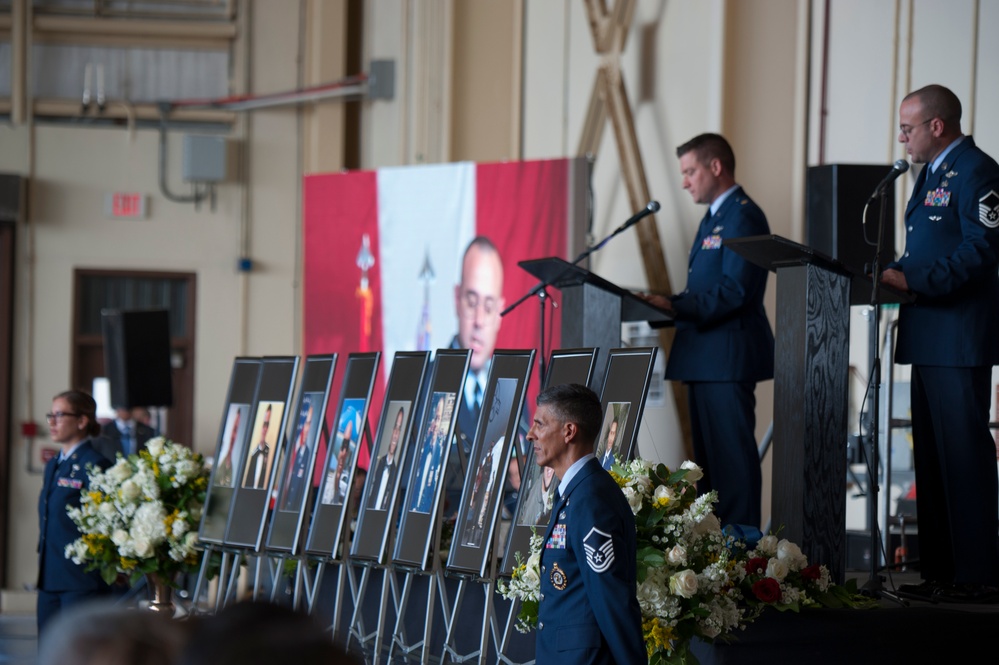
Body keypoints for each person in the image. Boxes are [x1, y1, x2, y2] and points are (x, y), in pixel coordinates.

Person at [880, 84, 999, 603]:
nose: (901, 137)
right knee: (930, 460)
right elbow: (925, 249)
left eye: (907, 127)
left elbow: (982, 250)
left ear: (936, 125)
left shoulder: (978, 171)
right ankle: (941, 572)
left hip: (957, 337)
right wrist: (889, 274)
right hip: (926, 335)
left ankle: (976, 575)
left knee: (963, 458)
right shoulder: (929, 174)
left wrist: (914, 280)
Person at [640, 133, 774, 528]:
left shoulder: (743, 214)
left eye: (690, 171)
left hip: (727, 359)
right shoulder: (715, 216)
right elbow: (705, 287)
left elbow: (735, 290)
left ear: (716, 167)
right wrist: (670, 302)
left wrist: (674, 304)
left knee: (733, 467)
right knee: (709, 474)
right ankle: (717, 558)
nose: (684, 182)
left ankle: (745, 552)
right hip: (703, 358)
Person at [529, 384, 645, 664]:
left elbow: (611, 599)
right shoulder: (575, 492)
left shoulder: (591, 498)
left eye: (540, 425)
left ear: (569, 432)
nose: (530, 434)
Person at [37, 390, 113, 635]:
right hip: (50, 577)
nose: (52, 421)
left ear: (82, 421)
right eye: (51, 415)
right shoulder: (54, 464)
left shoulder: (95, 464)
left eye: (60, 415)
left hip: (80, 580)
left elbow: (103, 523)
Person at [367, 406, 404, 510]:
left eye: (399, 429)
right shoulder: (378, 461)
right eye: (395, 428)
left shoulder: (395, 471)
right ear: (392, 431)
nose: (396, 434)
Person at [280, 402, 314, 511]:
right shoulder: (294, 450)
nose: (306, 428)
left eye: (308, 423)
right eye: (304, 423)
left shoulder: (309, 455)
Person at [244, 404, 273, 489]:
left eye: (267, 425)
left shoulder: (268, 451)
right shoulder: (253, 451)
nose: (265, 428)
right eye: (264, 424)